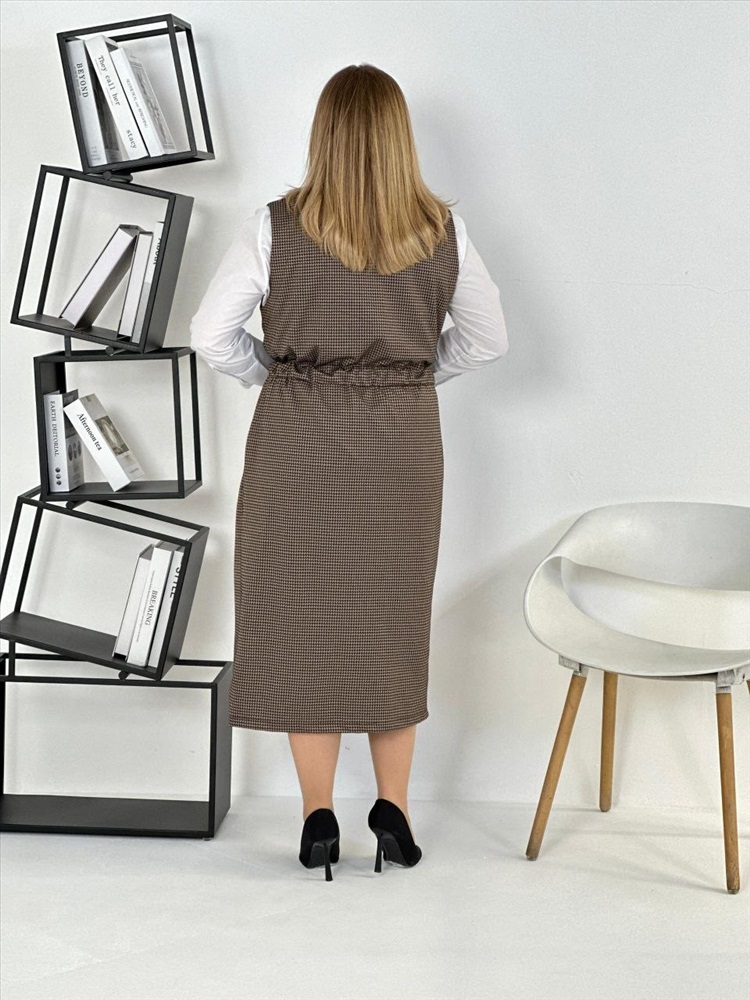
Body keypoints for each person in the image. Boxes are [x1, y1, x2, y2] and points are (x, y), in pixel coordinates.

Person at [190, 64, 508, 881]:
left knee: (305, 622)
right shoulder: (443, 231)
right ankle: (393, 812)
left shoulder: (274, 227)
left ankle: (318, 818)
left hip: (297, 442)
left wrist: (276, 373)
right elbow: (487, 339)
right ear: (400, 136)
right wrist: (412, 373)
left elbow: (211, 334)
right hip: (403, 447)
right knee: (389, 624)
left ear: (324, 134)